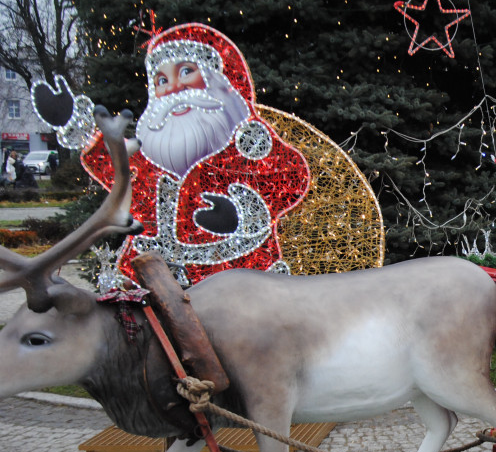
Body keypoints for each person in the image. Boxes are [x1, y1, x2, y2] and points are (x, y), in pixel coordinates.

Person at [32, 23, 311, 287]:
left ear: (217, 79)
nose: (174, 88)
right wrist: (73, 122)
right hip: (155, 282)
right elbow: (117, 170)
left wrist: (243, 214)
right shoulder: (153, 158)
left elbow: (291, 179)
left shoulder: (248, 142)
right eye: (162, 80)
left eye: (186, 72)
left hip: (240, 282)